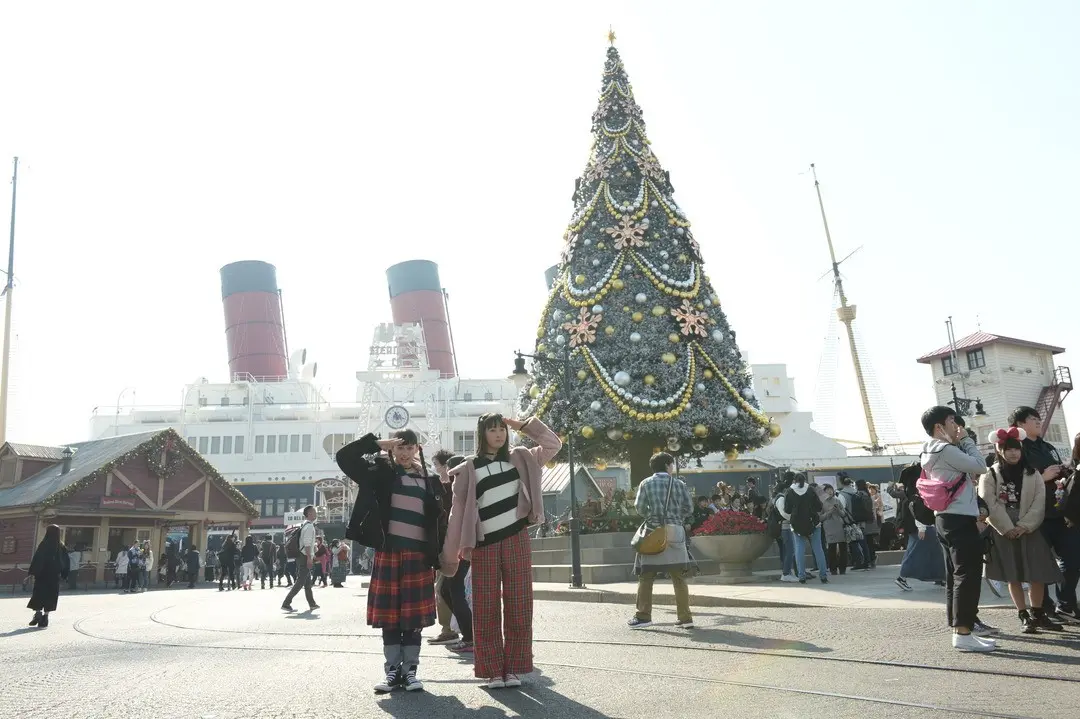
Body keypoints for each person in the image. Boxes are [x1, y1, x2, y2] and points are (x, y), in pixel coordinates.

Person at [441, 414, 561, 690]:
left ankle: (515, 668)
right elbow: (457, 514)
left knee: (520, 604)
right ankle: (493, 670)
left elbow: (552, 444)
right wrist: (450, 555)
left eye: (502, 430)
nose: (498, 435)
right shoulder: (468, 468)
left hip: (517, 538)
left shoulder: (521, 457)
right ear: (481, 433)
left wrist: (523, 426)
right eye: (492, 430)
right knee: (486, 608)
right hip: (484, 544)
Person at [338, 429, 442, 694]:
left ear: (417, 449)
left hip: (418, 555)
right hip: (389, 551)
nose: (405, 453)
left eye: (410, 448)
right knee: (391, 617)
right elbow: (344, 457)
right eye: (399, 448)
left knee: (413, 618)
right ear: (392, 450)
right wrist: (374, 444)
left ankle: (410, 671)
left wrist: (442, 554)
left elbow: (439, 521)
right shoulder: (379, 473)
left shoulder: (429, 480)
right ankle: (392, 671)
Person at [920, 405, 993, 652]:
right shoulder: (946, 449)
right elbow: (981, 466)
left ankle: (960, 630)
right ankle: (963, 633)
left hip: (943, 519)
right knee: (968, 574)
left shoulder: (927, 451)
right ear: (939, 427)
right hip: (960, 519)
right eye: (952, 421)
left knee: (954, 576)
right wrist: (968, 441)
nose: (956, 426)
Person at [980, 427, 1065, 633]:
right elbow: (988, 502)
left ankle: (1038, 613)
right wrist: (1007, 527)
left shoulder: (1033, 473)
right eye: (1007, 449)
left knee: (1037, 572)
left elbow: (1039, 501)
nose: (1013, 453)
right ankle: (1023, 615)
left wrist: (1024, 526)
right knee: (1013, 574)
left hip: (1030, 527)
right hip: (1003, 528)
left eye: (1016, 449)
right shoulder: (989, 474)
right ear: (999, 450)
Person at [1010, 406, 1080, 623]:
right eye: (1033, 419)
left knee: (1073, 558)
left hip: (1058, 511)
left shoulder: (1048, 446)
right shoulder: (1017, 449)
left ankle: (1065, 604)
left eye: (1039, 418)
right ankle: (1043, 608)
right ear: (1020, 424)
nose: (1039, 422)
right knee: (1040, 565)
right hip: (1034, 515)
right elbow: (1013, 483)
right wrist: (1043, 476)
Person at [627, 451, 696, 629]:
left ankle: (643, 616)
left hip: (654, 532)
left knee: (646, 576)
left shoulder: (646, 483)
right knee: (679, 576)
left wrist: (653, 516)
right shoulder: (679, 484)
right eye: (671, 464)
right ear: (667, 465)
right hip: (676, 531)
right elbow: (689, 508)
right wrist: (676, 517)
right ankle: (685, 618)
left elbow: (640, 507)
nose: (672, 467)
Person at [427, 448, 460, 646]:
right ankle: (455, 627)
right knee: (450, 588)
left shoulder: (444, 489)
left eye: (437, 466)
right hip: (456, 544)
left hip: (448, 546)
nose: (436, 470)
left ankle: (449, 629)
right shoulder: (462, 487)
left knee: (442, 588)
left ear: (446, 467)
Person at [779, 472, 829, 584]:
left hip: (797, 524)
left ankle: (801, 576)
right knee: (818, 549)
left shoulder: (789, 492)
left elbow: (787, 510)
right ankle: (823, 575)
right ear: (805, 480)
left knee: (799, 549)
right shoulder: (811, 490)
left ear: (794, 481)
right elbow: (818, 506)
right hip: (813, 522)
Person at [27, 525, 70, 628]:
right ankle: (45, 618)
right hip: (54, 576)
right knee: (51, 596)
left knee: (39, 594)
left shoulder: (44, 544)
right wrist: (64, 574)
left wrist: (33, 572)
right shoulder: (61, 546)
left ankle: (37, 613)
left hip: (42, 576)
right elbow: (66, 562)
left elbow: (38, 559)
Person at [281, 506, 319, 612]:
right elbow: (307, 544)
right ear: (310, 513)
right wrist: (309, 558)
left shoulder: (305, 525)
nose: (316, 514)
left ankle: (312, 603)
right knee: (301, 581)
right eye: (314, 512)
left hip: (302, 555)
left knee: (307, 581)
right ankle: (286, 603)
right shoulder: (309, 527)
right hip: (304, 556)